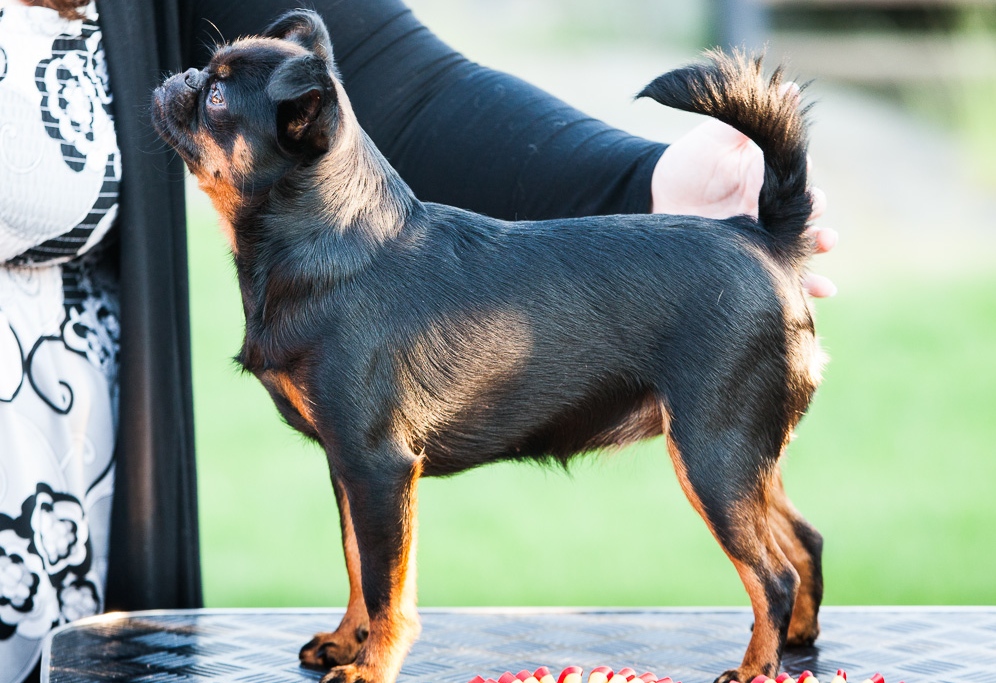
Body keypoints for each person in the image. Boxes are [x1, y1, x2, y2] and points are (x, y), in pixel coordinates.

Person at [0, 0, 834, 680]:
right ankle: (365, 618)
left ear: (301, 127)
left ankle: (769, 637)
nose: (191, 91)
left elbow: (416, 84)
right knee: (733, 481)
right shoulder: (327, 296)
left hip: (714, 300)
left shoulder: (347, 306)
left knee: (721, 476)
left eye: (217, 98)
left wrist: (645, 178)